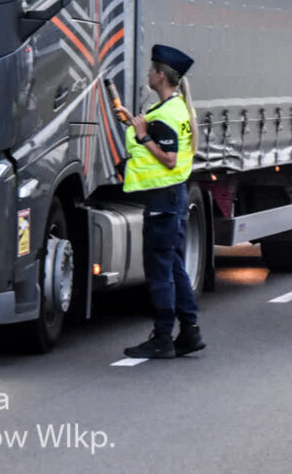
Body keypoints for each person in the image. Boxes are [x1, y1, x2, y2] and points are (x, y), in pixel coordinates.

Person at [117, 44, 206, 359]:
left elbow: (168, 158)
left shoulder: (167, 114)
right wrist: (135, 123)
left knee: (160, 270)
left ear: (161, 76)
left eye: (152, 70)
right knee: (175, 266)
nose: (149, 74)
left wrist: (143, 137)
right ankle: (190, 331)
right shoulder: (174, 108)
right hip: (172, 196)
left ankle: (163, 336)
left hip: (163, 200)